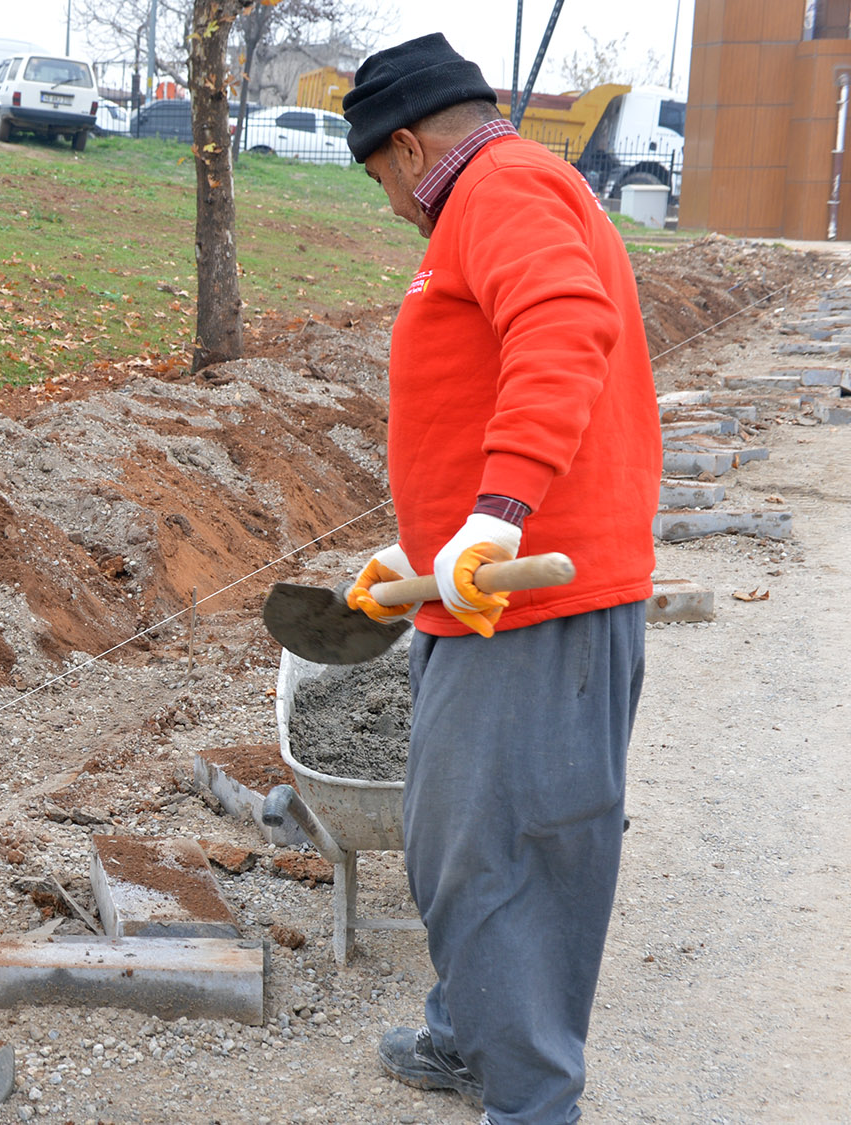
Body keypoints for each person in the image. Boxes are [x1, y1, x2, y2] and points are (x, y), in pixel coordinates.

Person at [337, 33, 659, 1125]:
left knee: (504, 858)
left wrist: (495, 510)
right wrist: (423, 549)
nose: (391, 207)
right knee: (467, 843)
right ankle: (466, 1030)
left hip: (532, 593)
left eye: (381, 180)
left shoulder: (500, 186)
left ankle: (528, 1100)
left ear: (407, 144)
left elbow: (563, 327)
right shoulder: (502, 187)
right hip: (481, 584)